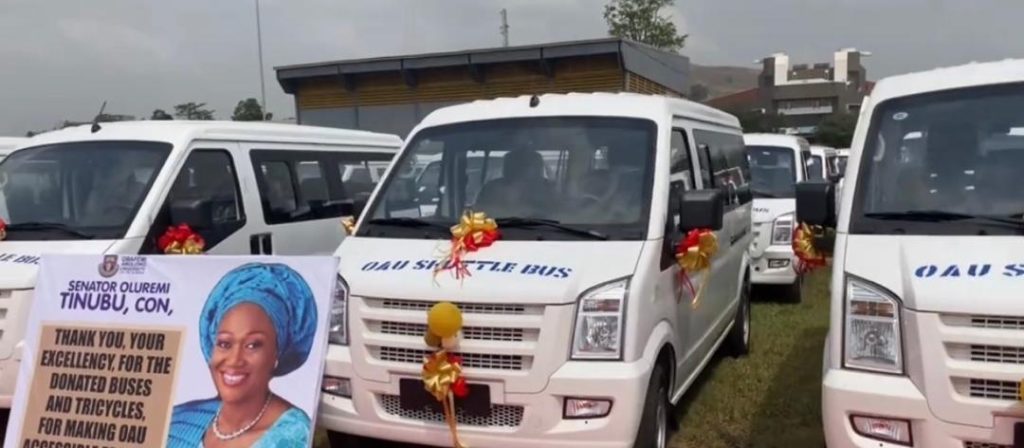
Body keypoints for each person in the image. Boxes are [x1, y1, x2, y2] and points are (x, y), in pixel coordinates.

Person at [167, 263, 319, 448]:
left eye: (252, 345)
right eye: (224, 344)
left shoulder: (293, 434)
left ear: (276, 354)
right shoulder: (178, 421)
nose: (234, 359)